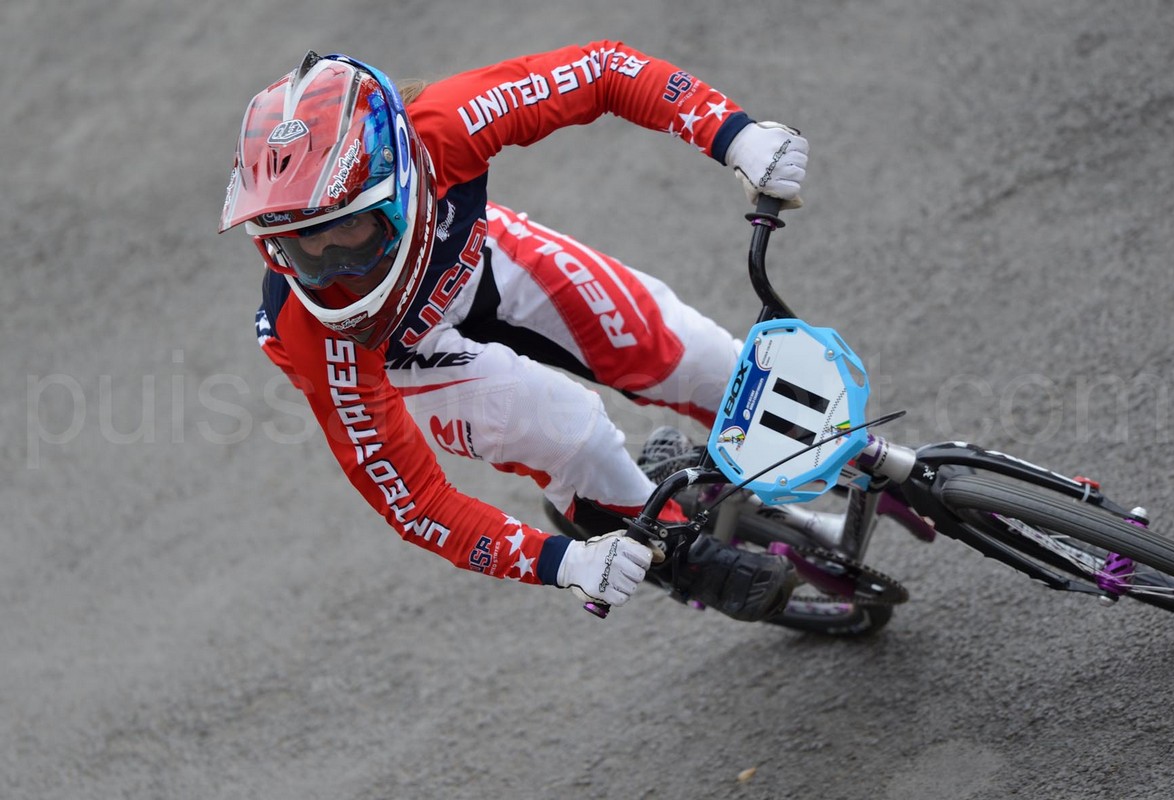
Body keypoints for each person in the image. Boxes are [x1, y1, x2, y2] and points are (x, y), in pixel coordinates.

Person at [218, 42, 808, 621]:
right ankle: (678, 556)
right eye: (300, 243)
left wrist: (734, 134)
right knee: (572, 433)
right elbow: (415, 503)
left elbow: (603, 71)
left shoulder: (444, 126)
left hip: (472, 258)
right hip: (398, 354)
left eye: (347, 230)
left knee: (698, 361)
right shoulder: (313, 333)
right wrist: (561, 562)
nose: (332, 268)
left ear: (398, 184)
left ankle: (817, 445)